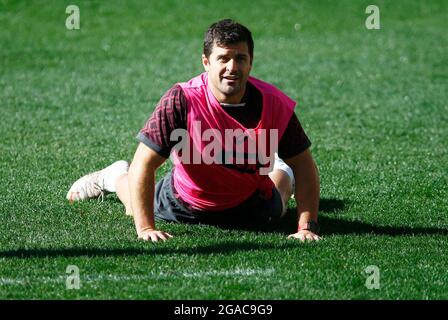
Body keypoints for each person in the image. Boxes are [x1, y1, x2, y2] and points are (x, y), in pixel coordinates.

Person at [66, 19, 321, 242]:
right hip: (184, 200)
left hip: (249, 201)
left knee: (280, 205)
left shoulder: (273, 103)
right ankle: (112, 176)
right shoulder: (181, 99)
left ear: (251, 62)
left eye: (240, 58)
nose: (232, 67)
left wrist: (306, 227)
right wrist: (145, 228)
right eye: (223, 58)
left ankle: (280, 169)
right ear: (206, 62)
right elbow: (144, 163)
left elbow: (304, 165)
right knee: (135, 206)